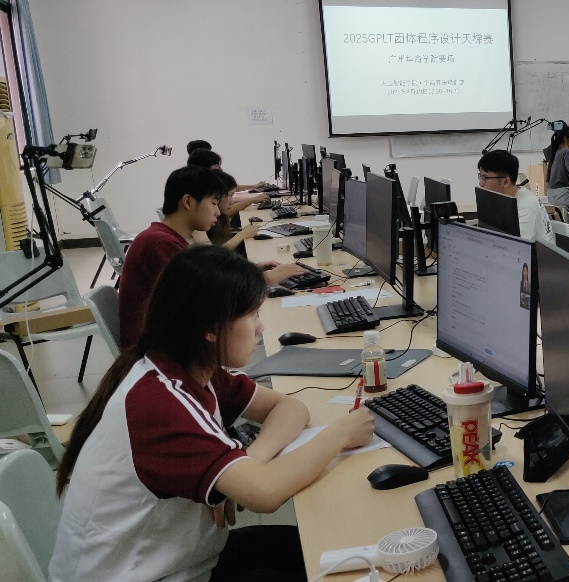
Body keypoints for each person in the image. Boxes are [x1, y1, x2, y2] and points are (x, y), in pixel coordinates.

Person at [51, 245, 375, 582]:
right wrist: (340, 433)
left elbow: (290, 408)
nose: (261, 327)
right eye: (253, 315)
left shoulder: (186, 367)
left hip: (181, 557)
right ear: (210, 329)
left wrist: (249, 463)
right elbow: (265, 493)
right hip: (144, 574)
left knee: (327, 552)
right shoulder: (160, 403)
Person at [117, 165, 305, 348]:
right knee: (269, 328)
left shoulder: (165, 238)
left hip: (167, 339)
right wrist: (265, 279)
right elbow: (208, 297)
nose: (218, 211)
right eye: (214, 203)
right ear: (188, 202)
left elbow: (202, 282)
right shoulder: (160, 244)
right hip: (155, 350)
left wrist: (253, 271)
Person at [478, 150, 554, 244]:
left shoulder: (526, 205)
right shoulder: (505, 197)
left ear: (506, 182)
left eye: (484, 178)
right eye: (480, 177)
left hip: (534, 253)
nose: (481, 184)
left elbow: (515, 247)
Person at [204, 169, 266, 251]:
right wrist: (243, 234)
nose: (232, 202)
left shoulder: (219, 216)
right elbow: (210, 254)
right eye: (230, 195)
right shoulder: (199, 223)